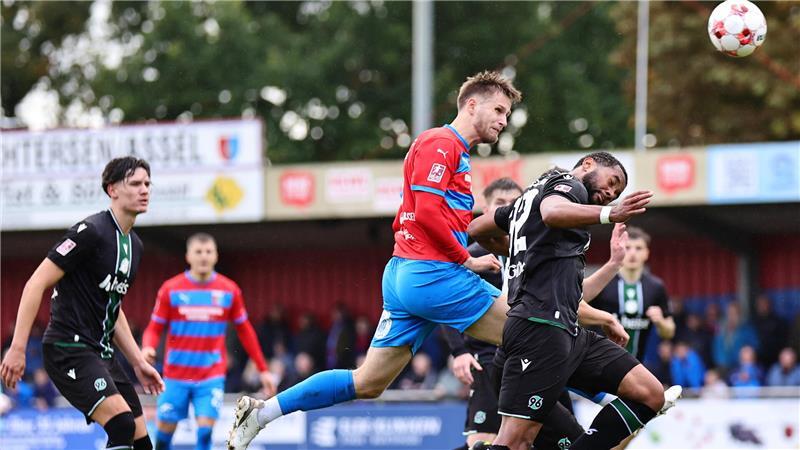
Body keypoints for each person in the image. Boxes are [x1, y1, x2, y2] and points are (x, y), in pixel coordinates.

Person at [226, 70, 525, 450]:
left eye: (507, 114)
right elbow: (430, 212)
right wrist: (467, 261)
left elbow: (422, 215)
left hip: (407, 274)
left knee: (367, 382)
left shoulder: (453, 153)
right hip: (432, 275)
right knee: (534, 337)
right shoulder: (441, 143)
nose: (503, 120)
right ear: (471, 104)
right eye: (499, 110)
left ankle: (262, 413)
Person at [468, 152, 672, 450]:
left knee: (650, 393)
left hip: (566, 330)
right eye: (612, 181)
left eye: (617, 192)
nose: (611, 193)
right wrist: (610, 213)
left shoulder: (528, 201)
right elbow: (552, 212)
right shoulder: (568, 184)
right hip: (538, 329)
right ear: (588, 164)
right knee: (515, 442)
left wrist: (613, 263)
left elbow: (477, 228)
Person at [443, 177, 629, 450]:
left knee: (553, 441)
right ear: (486, 208)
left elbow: (569, 299)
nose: (508, 208)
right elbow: (448, 305)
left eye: (513, 203)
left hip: (542, 355)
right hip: (488, 360)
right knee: (486, 441)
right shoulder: (474, 256)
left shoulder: (539, 249)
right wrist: (459, 351)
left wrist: (613, 264)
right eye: (500, 204)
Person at [1, 157, 163, 450]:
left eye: (148, 184)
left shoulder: (134, 245)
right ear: (112, 189)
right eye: (136, 184)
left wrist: (138, 361)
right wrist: (18, 347)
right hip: (68, 349)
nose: (145, 190)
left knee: (142, 442)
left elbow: (112, 308)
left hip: (102, 353)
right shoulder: (90, 232)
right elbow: (35, 283)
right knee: (121, 423)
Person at [141, 233, 275, 450]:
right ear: (188, 256)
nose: (203, 256)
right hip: (175, 377)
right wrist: (147, 347)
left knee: (205, 432)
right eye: (198, 252)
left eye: (208, 252)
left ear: (215, 256)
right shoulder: (171, 289)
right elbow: (154, 327)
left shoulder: (229, 290)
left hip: (210, 376)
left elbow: (246, 331)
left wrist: (263, 369)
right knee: (164, 437)